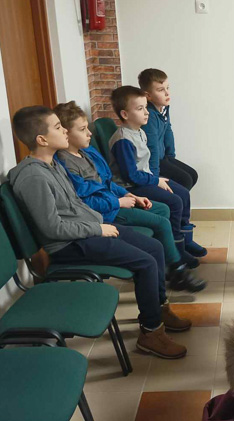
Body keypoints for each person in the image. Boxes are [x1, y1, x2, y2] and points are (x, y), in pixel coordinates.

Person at [9, 106, 191, 360]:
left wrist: (103, 219)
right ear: (42, 139)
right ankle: (151, 333)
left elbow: (76, 204)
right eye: (57, 127)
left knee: (155, 248)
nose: (63, 130)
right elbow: (52, 228)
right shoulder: (33, 177)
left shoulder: (52, 165)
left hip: (87, 229)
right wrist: (98, 228)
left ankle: (158, 310)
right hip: (69, 244)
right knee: (146, 262)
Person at [54, 102, 205, 293]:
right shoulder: (65, 164)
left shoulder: (88, 151)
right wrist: (119, 202)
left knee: (163, 209)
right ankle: (177, 269)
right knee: (161, 222)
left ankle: (170, 261)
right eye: (83, 129)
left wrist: (128, 194)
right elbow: (84, 200)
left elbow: (107, 181)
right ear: (65, 133)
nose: (89, 133)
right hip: (106, 213)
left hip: (116, 200)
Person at [107, 85, 207, 258]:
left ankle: (185, 241)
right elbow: (130, 175)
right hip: (131, 188)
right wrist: (155, 181)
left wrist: (155, 178)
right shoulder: (123, 140)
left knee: (183, 193)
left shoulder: (139, 132)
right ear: (125, 114)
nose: (146, 112)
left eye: (146, 107)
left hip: (144, 180)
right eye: (140, 109)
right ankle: (177, 250)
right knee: (175, 202)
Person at [138, 67, 198, 191]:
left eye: (168, 88)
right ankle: (176, 205)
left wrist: (171, 156)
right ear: (148, 96)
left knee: (192, 175)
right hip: (152, 161)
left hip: (163, 157)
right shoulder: (149, 114)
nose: (167, 93)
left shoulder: (164, 108)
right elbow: (152, 145)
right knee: (185, 179)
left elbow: (168, 131)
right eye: (160, 90)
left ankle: (182, 201)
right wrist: (154, 176)